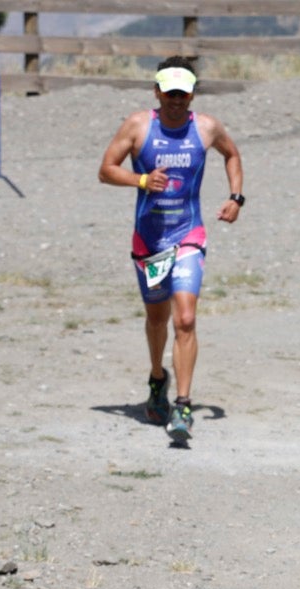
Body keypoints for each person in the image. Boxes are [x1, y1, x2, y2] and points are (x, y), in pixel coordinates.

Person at [97, 56, 244, 442]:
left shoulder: (207, 127)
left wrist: (236, 197)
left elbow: (232, 154)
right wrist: (141, 179)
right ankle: (157, 378)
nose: (177, 100)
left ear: (193, 92)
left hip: (188, 235)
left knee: (185, 319)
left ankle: (182, 405)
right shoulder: (137, 125)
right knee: (157, 319)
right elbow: (106, 169)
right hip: (149, 240)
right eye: (170, 93)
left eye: (184, 93)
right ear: (157, 91)